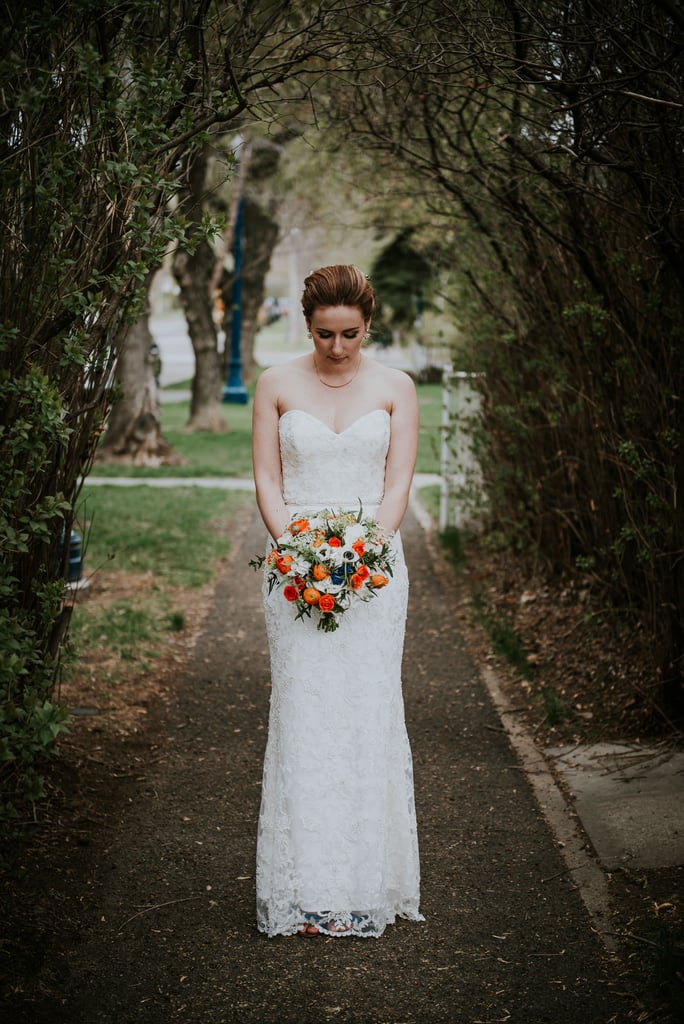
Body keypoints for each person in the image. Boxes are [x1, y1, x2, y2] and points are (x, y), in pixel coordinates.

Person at [251, 264, 424, 938]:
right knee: (305, 715)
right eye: (325, 335)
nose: (338, 348)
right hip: (293, 565)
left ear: (367, 326)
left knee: (367, 713)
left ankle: (364, 886)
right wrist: (293, 547)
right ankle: (304, 892)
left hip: (375, 572)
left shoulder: (395, 387)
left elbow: (397, 482)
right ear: (308, 326)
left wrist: (362, 555)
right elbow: (267, 475)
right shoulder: (275, 384)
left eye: (350, 334)